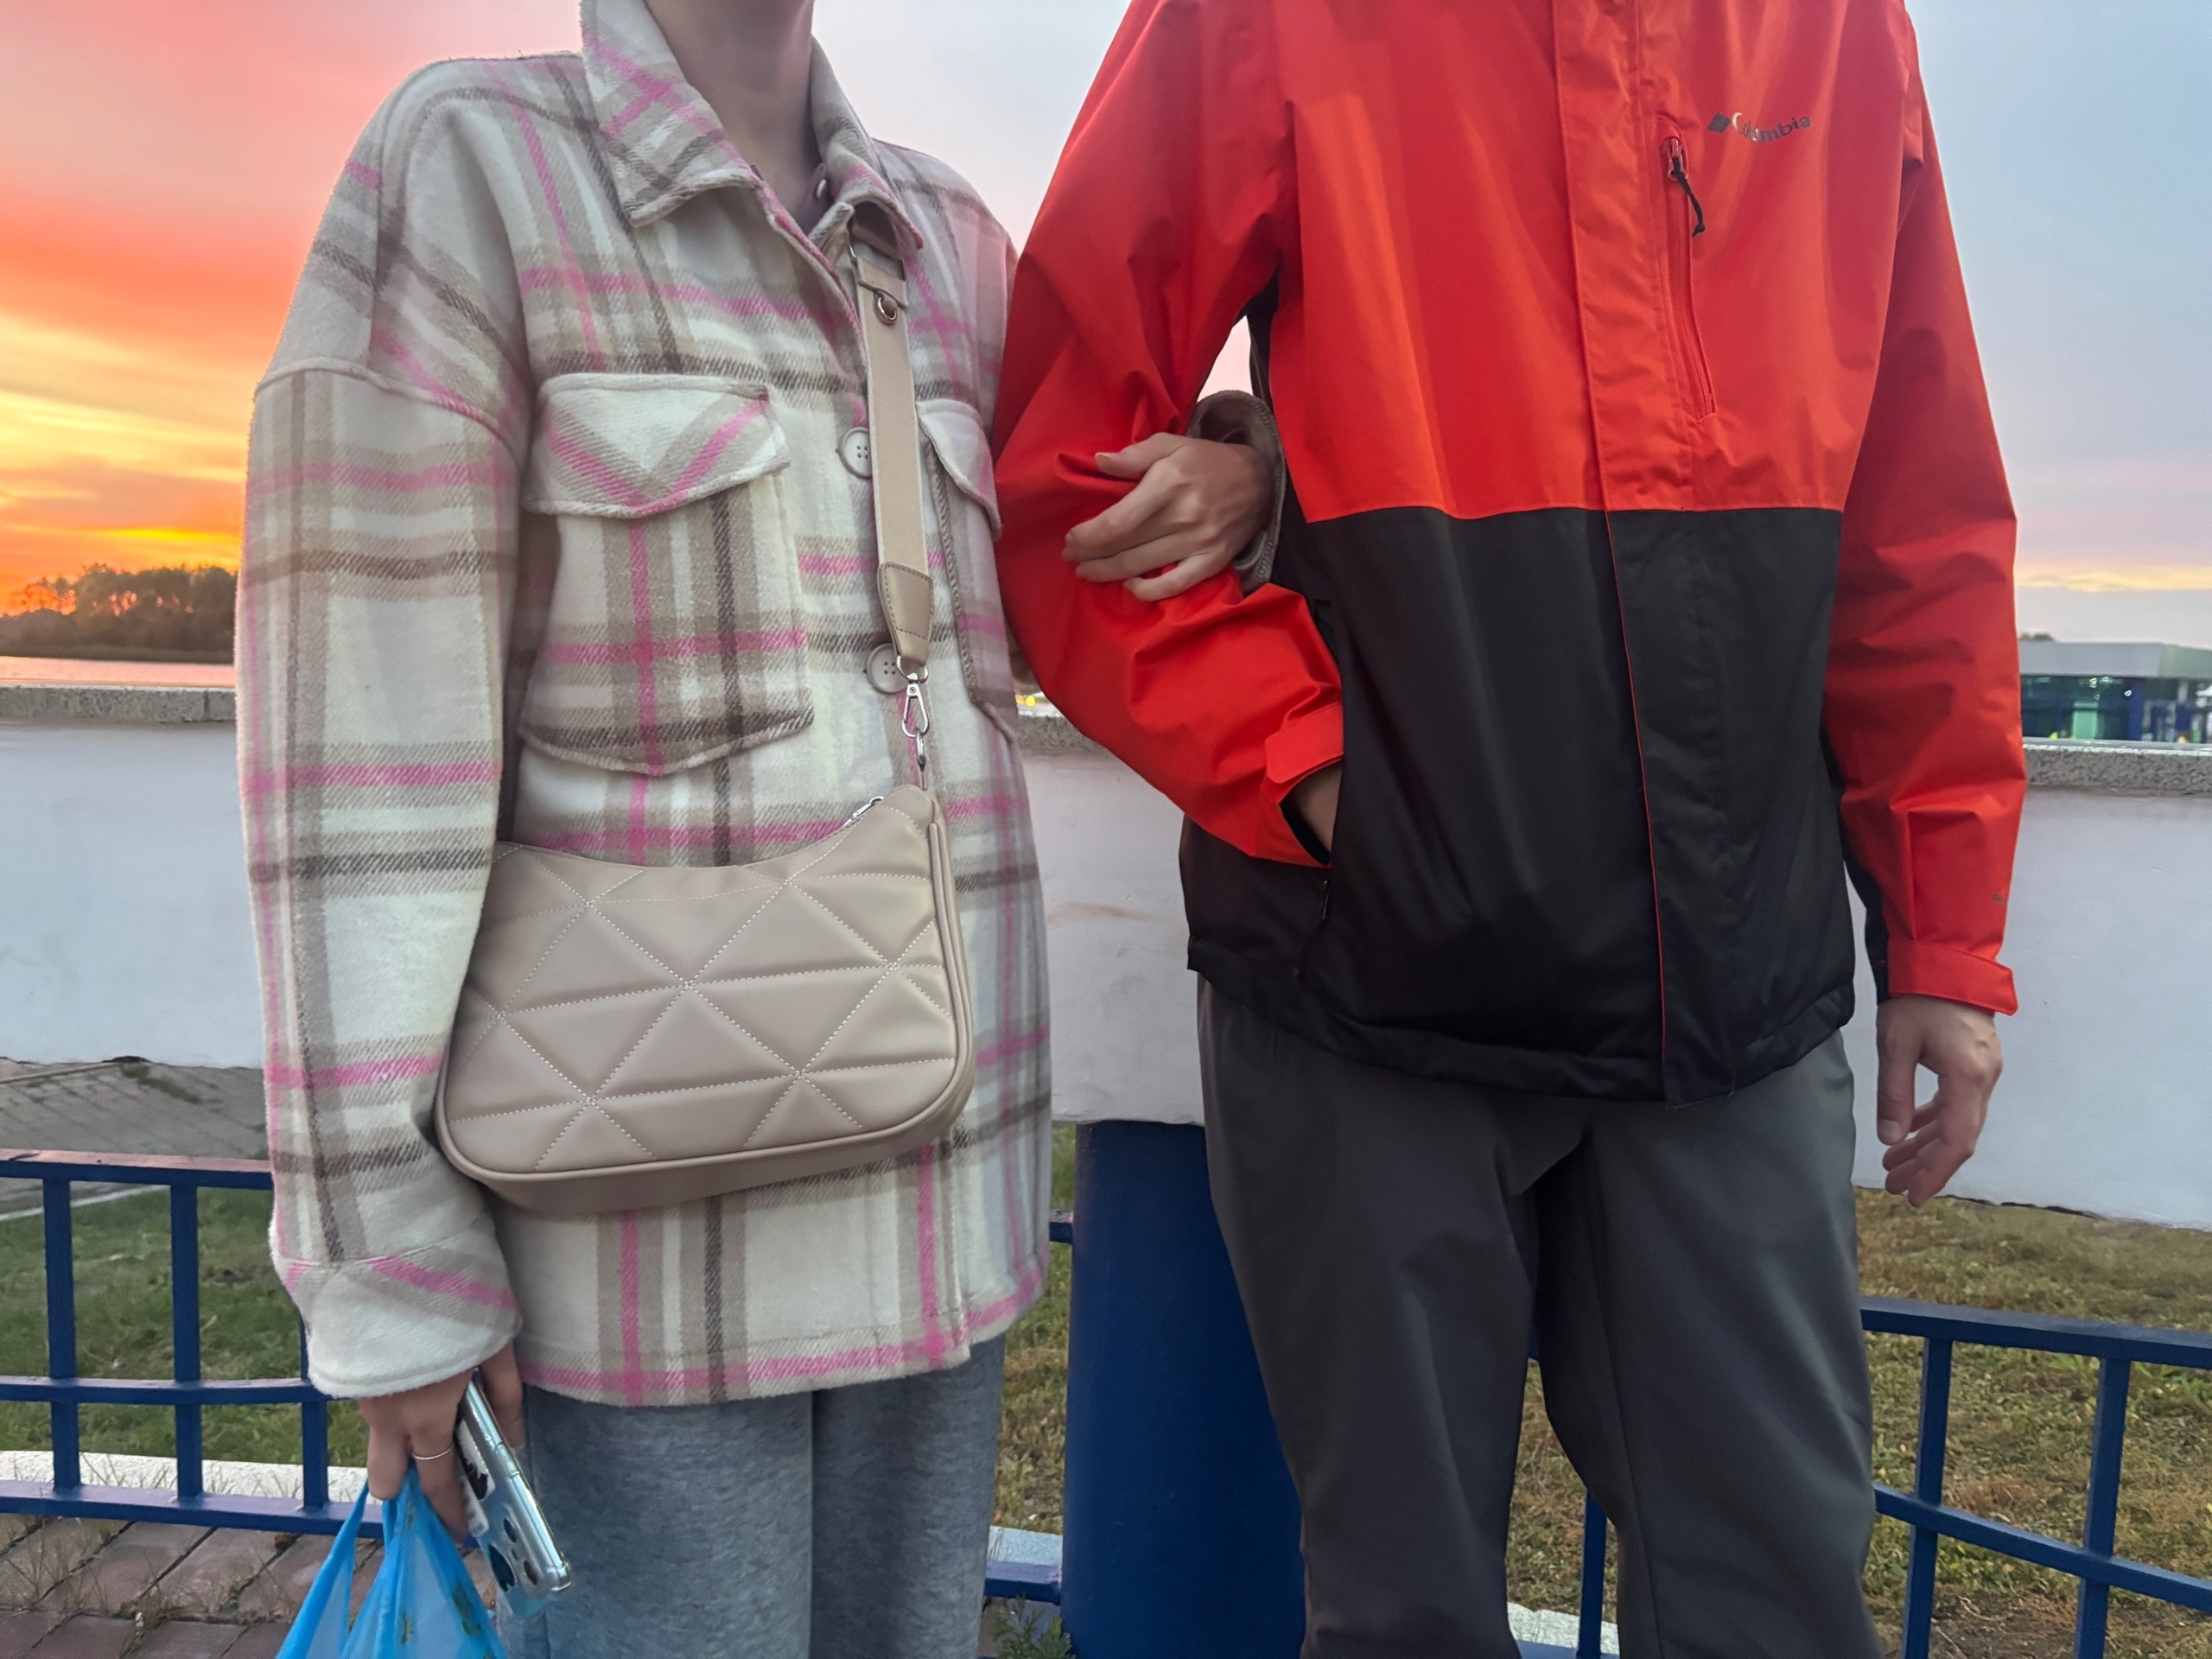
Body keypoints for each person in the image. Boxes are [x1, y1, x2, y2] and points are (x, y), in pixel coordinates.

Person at [237, 2, 1269, 1653]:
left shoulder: (952, 243)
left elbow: (1098, 521)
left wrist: (1253, 474)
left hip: (943, 1219)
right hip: (633, 1266)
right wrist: (390, 1270)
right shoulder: (474, 172)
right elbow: (356, 751)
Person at [993, 1, 2022, 1653]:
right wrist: (1320, 785)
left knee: (1777, 1596)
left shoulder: (1837, 28)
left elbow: (1919, 506)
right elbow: (1062, 474)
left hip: (1732, 994)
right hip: (1361, 983)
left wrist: (1947, 936)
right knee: (1399, 1614)